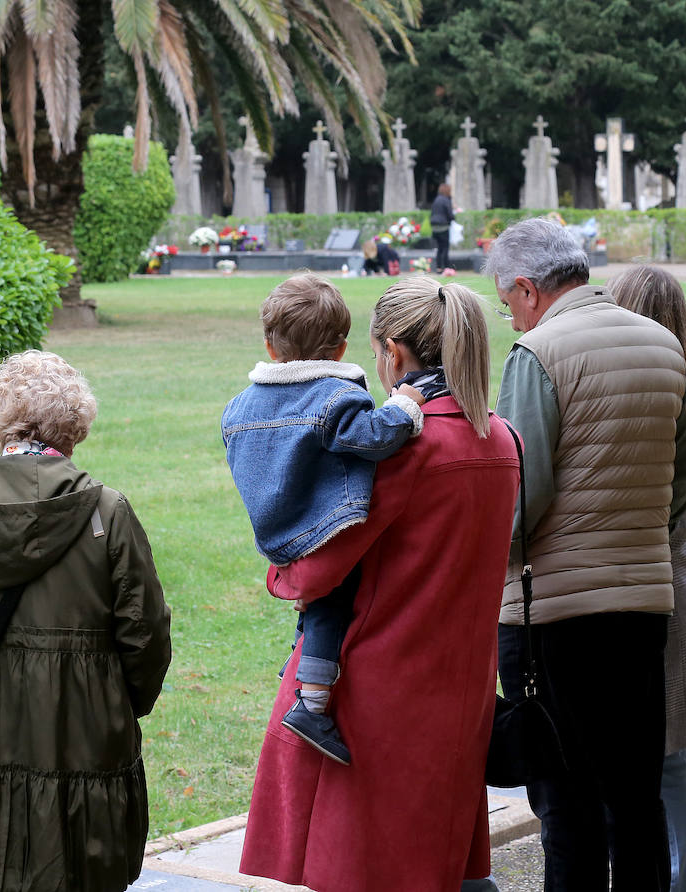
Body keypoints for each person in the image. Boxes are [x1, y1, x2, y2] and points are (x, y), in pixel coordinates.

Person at [239, 277, 520, 891]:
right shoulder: (501, 439)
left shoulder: (406, 448)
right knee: (437, 866)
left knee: (363, 871)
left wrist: (281, 567)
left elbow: (319, 567)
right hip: (461, 684)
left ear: (393, 353)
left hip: (373, 690)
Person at [0, 350, 172, 892]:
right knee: (89, 870)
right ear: (73, 425)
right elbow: (145, 634)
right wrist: (119, 703)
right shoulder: (106, 511)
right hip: (89, 732)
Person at [487, 219, 686, 892]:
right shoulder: (663, 346)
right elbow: (680, 488)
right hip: (642, 607)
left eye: (507, 304)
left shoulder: (538, 353)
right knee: (637, 801)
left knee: (568, 812)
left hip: (555, 617)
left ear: (526, 289)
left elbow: (522, 499)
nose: (510, 319)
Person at [222, 273, 426, 765]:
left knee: (316, 608)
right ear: (340, 349)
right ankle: (312, 703)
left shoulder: (239, 406)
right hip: (328, 525)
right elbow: (372, 439)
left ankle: (297, 668)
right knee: (335, 602)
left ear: (270, 347)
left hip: (277, 529)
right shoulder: (336, 397)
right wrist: (404, 406)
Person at [610, 265, 686, 892]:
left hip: (668, 601)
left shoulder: (661, 402)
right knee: (672, 764)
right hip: (682, 594)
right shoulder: (685, 396)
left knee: (671, 763)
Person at [431, 183, 455, 272]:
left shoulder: (436, 200)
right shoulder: (446, 200)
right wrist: (453, 217)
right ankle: (446, 267)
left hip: (434, 227)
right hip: (443, 226)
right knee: (445, 247)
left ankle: (438, 267)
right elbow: (450, 214)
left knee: (439, 248)